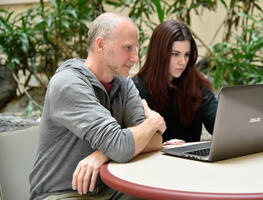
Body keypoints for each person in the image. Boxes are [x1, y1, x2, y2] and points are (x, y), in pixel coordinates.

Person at [29, 12, 166, 200]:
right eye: (127, 48)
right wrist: (153, 122)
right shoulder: (68, 84)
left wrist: (102, 155)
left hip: (110, 189)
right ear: (100, 44)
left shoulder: (124, 83)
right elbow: (129, 142)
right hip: (62, 193)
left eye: (136, 48)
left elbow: (153, 141)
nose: (135, 58)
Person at [132, 20, 218, 144]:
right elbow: (131, 141)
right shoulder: (136, 88)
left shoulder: (196, 84)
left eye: (187, 55)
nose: (182, 61)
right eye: (175, 54)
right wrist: (161, 146)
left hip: (192, 161)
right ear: (159, 54)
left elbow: (218, 124)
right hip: (154, 161)